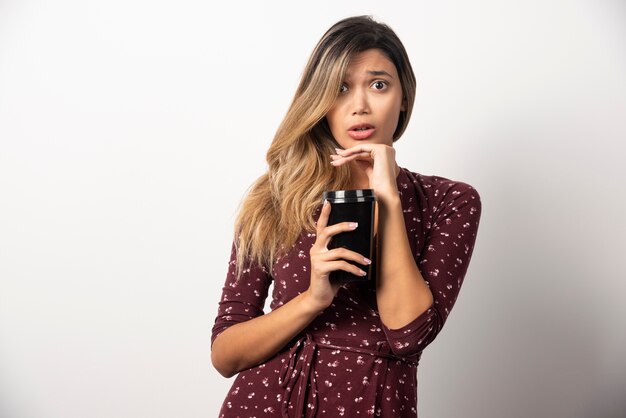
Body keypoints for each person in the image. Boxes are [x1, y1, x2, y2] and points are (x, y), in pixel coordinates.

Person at [211, 15, 482, 417]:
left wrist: (386, 197)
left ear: (403, 96)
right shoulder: (275, 196)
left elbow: (408, 334)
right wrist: (313, 299)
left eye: (378, 85)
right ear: (319, 101)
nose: (359, 106)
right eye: (340, 88)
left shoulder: (448, 202)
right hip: (263, 404)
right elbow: (225, 355)